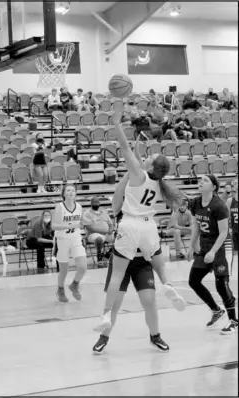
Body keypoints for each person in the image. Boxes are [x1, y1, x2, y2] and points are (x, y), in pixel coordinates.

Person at [96, 102, 186, 331]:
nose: (150, 153)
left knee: (117, 274)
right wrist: (140, 154)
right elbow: (139, 161)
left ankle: (106, 315)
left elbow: (124, 148)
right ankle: (167, 284)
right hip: (149, 227)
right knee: (158, 262)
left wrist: (116, 122)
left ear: (151, 164)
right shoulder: (158, 182)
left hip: (130, 225)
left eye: (152, 155)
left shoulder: (136, 174)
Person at [93, 173, 169, 354]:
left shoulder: (144, 212)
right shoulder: (121, 209)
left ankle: (155, 335)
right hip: (121, 261)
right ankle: (103, 337)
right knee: (115, 303)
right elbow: (119, 191)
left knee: (149, 301)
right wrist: (131, 171)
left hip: (142, 261)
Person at [187, 175, 238, 334]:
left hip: (222, 246)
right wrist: (191, 245)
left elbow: (223, 233)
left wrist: (213, 251)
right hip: (205, 245)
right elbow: (195, 224)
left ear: (214, 187)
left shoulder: (219, 206)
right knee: (194, 281)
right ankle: (216, 310)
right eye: (200, 180)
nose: (200, 182)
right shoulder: (195, 202)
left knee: (221, 284)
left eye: (205, 181)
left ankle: (234, 321)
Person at [52, 184, 87, 302]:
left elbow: (80, 222)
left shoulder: (79, 207)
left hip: (76, 238)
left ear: (75, 193)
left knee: (83, 266)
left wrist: (88, 221)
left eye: (73, 190)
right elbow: (54, 225)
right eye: (68, 190)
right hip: (62, 239)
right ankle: (60, 290)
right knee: (64, 269)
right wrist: (70, 225)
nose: (71, 192)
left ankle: (74, 285)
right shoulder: (60, 207)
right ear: (64, 193)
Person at [83, 197, 114, 266]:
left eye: (97, 203)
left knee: (120, 238)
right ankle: (99, 256)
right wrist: (102, 231)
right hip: (93, 234)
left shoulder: (104, 212)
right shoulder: (87, 213)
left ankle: (108, 254)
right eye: (94, 203)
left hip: (107, 233)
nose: (96, 204)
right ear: (91, 204)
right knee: (98, 238)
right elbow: (88, 227)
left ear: (99, 204)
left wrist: (110, 230)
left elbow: (111, 224)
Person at [226, 178, 238, 252]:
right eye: (236, 184)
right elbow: (227, 217)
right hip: (235, 231)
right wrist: (229, 228)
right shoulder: (230, 201)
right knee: (235, 254)